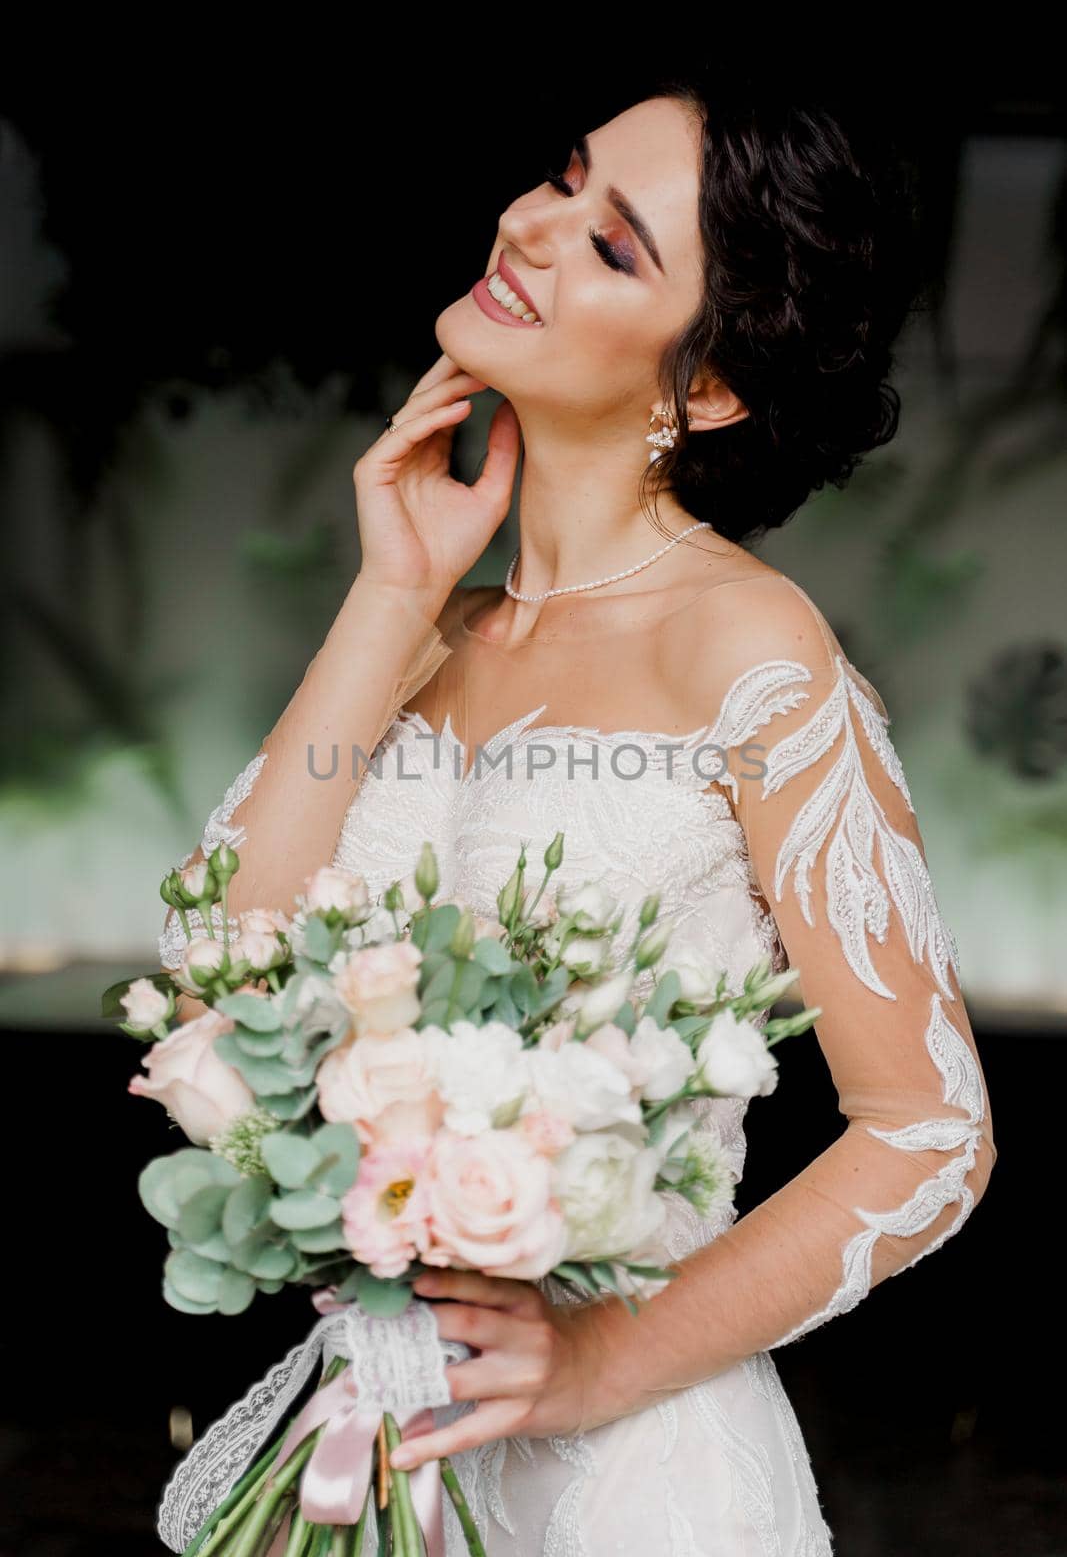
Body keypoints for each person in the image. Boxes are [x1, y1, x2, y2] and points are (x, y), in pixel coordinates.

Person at [162, 82, 997, 1554]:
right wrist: (391, 597)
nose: (529, 227)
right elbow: (213, 961)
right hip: (381, 1434)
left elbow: (929, 1132)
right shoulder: (428, 624)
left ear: (710, 385)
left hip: (633, 1479)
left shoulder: (751, 652)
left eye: (611, 245)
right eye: (561, 178)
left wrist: (607, 1356)